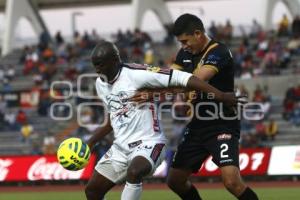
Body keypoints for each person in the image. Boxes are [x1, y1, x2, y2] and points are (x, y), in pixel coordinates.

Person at [84, 41, 243, 200]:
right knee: (92, 191)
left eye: (100, 64)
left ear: (114, 60)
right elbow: (114, 118)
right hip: (120, 148)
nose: (97, 69)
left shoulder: (137, 73)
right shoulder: (100, 84)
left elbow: (185, 78)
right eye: (95, 65)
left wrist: (221, 96)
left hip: (148, 143)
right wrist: (90, 142)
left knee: (134, 172)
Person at [165, 14, 259, 200]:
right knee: (174, 180)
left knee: (232, 182)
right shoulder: (184, 53)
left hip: (222, 123)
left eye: (185, 41)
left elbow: (197, 79)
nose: (183, 46)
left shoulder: (219, 52)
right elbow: (168, 78)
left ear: (198, 33)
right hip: (197, 125)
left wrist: (161, 89)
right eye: (180, 42)